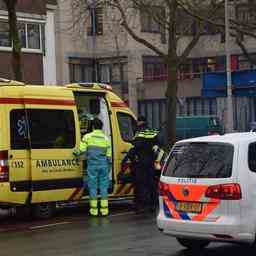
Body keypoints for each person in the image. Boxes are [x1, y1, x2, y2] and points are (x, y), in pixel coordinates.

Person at [122, 116, 164, 213]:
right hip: (152, 163)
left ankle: (143, 205)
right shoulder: (154, 132)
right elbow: (160, 145)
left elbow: (135, 148)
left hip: (141, 163)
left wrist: (129, 158)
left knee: (141, 184)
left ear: (139, 122)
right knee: (152, 184)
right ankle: (153, 205)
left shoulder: (139, 133)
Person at [73, 118, 112, 216]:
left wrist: (75, 153)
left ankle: (94, 211)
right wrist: (108, 167)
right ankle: (104, 210)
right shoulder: (106, 138)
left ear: (93, 126)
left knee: (93, 188)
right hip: (103, 165)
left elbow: (81, 150)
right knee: (103, 188)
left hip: (92, 166)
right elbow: (109, 156)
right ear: (101, 127)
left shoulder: (87, 137)